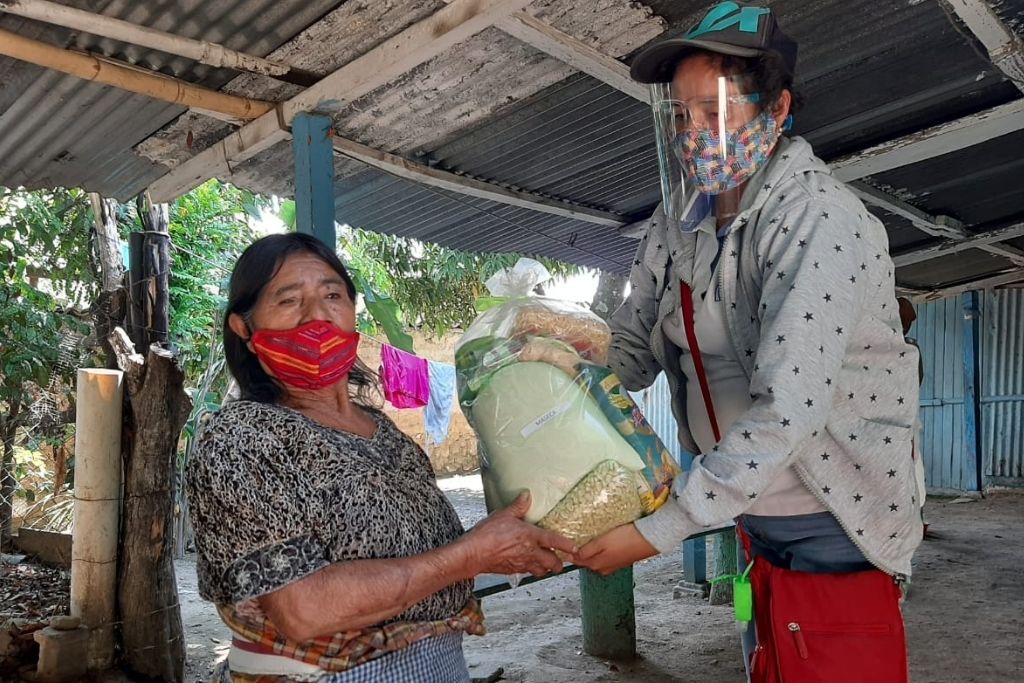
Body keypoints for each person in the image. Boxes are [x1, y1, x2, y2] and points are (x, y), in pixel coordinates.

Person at [574, 2, 923, 680]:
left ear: (779, 108)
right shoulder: (677, 226)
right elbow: (629, 352)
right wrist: (560, 360)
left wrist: (651, 533)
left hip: (836, 533)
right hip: (754, 528)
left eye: (715, 112)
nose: (692, 134)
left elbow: (787, 411)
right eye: (680, 116)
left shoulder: (819, 219)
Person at [185, 233, 574, 682]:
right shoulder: (243, 437)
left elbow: (421, 556)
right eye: (289, 301)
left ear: (352, 311)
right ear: (244, 329)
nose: (317, 316)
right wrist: (470, 554)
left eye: (332, 295)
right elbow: (305, 610)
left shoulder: (383, 432)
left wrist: (498, 547)